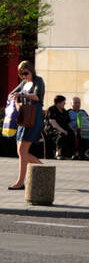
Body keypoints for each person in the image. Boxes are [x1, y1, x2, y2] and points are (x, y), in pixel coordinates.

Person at [9, 60, 45, 189]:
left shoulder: (38, 81)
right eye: (21, 74)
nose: (23, 76)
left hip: (34, 117)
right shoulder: (24, 82)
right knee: (21, 152)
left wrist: (22, 94)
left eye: (25, 73)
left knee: (22, 150)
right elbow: (12, 94)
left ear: (31, 70)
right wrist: (15, 99)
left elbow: (37, 97)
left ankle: (20, 182)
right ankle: (44, 170)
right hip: (24, 117)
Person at [45, 94, 75, 160]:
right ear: (58, 103)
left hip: (63, 128)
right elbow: (53, 123)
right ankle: (59, 153)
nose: (65, 103)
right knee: (61, 134)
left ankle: (70, 154)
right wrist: (62, 130)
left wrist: (73, 129)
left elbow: (68, 122)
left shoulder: (64, 111)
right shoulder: (51, 109)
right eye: (63, 102)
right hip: (53, 129)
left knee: (72, 134)